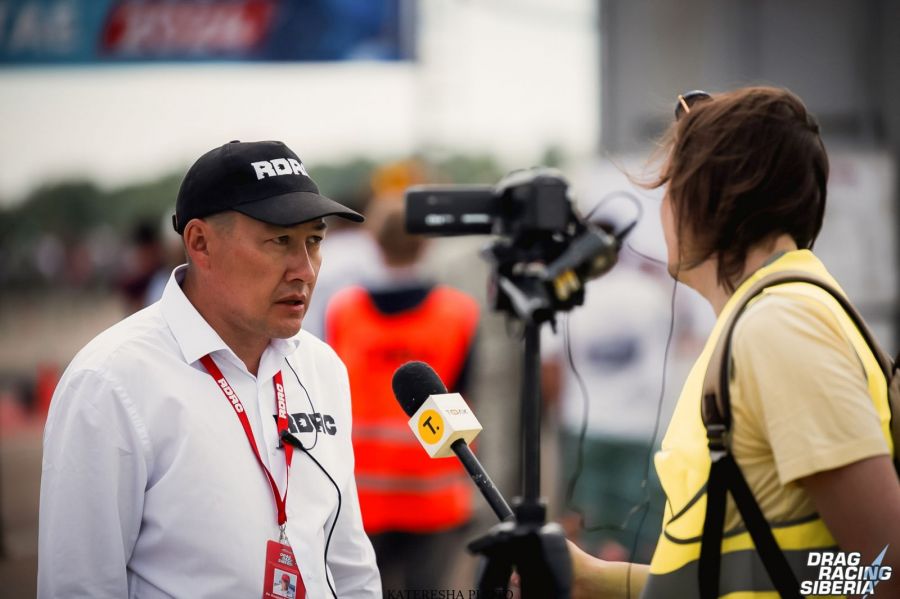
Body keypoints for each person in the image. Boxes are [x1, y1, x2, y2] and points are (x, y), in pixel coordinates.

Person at [569, 87, 900, 597]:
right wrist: (592, 579)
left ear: (713, 197)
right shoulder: (762, 319)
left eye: (672, 187)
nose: (665, 211)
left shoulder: (780, 327)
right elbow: (727, 575)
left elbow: (885, 566)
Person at [38, 140, 381, 598]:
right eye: (280, 240)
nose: (304, 269)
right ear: (200, 243)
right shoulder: (110, 382)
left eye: (314, 241)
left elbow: (350, 563)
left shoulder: (321, 367)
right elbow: (78, 587)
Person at [325, 176, 480, 594]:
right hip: (436, 495)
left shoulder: (344, 311)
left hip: (363, 497)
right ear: (425, 243)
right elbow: (467, 395)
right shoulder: (459, 313)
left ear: (373, 240)